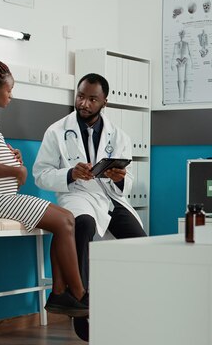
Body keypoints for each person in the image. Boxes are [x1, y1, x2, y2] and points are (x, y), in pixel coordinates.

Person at [0, 55, 88, 318]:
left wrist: (8, 155)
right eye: (9, 89)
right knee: (64, 222)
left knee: (67, 219)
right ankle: (78, 295)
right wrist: (15, 169)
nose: (11, 95)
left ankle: (61, 293)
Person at [33, 73, 146, 292]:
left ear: (105, 102)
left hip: (109, 197)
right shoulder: (56, 132)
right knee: (83, 224)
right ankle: (79, 299)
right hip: (77, 195)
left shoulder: (119, 136)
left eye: (92, 99)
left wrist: (119, 179)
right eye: (80, 96)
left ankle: (132, 298)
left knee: (140, 242)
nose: (84, 104)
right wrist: (70, 174)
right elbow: (41, 174)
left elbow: (128, 181)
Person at [171, 30, 194, 102]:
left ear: (183, 35)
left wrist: (190, 62)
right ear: (179, 35)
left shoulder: (186, 44)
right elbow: (174, 54)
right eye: (180, 34)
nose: (181, 36)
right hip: (178, 63)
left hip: (184, 63)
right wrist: (173, 63)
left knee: (184, 79)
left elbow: (189, 54)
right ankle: (180, 96)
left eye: (182, 34)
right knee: (179, 80)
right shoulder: (176, 44)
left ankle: (183, 97)